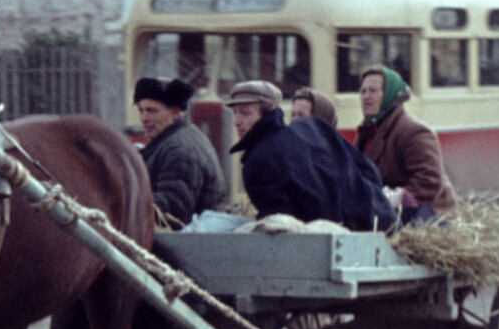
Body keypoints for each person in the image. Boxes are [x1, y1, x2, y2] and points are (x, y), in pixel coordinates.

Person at [225, 80, 396, 232]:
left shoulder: (257, 162)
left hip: (339, 244)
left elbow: (278, 226)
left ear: (268, 111)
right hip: (383, 226)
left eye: (246, 113)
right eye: (235, 113)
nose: (237, 121)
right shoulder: (313, 126)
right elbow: (369, 171)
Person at [354, 67, 457, 220]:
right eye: (363, 92)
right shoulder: (367, 132)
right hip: (389, 210)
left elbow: (430, 182)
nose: (366, 97)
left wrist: (393, 198)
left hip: (427, 213)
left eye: (373, 91)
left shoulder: (413, 131)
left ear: (389, 94)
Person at [134, 76, 226, 229]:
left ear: (176, 112)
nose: (144, 118)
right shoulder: (171, 140)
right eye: (141, 110)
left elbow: (172, 212)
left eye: (152, 111)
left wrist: (122, 200)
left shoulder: (181, 150)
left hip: (188, 245)